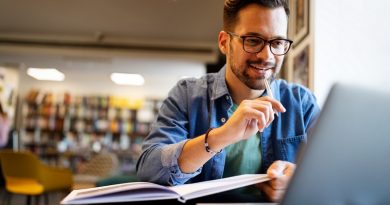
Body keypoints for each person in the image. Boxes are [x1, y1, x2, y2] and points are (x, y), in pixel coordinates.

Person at [136, 0, 320, 202]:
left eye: (277, 43)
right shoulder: (187, 95)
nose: (266, 56)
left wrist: (298, 183)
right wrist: (219, 137)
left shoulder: (302, 103)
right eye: (252, 40)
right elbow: (149, 171)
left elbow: (330, 181)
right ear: (224, 42)